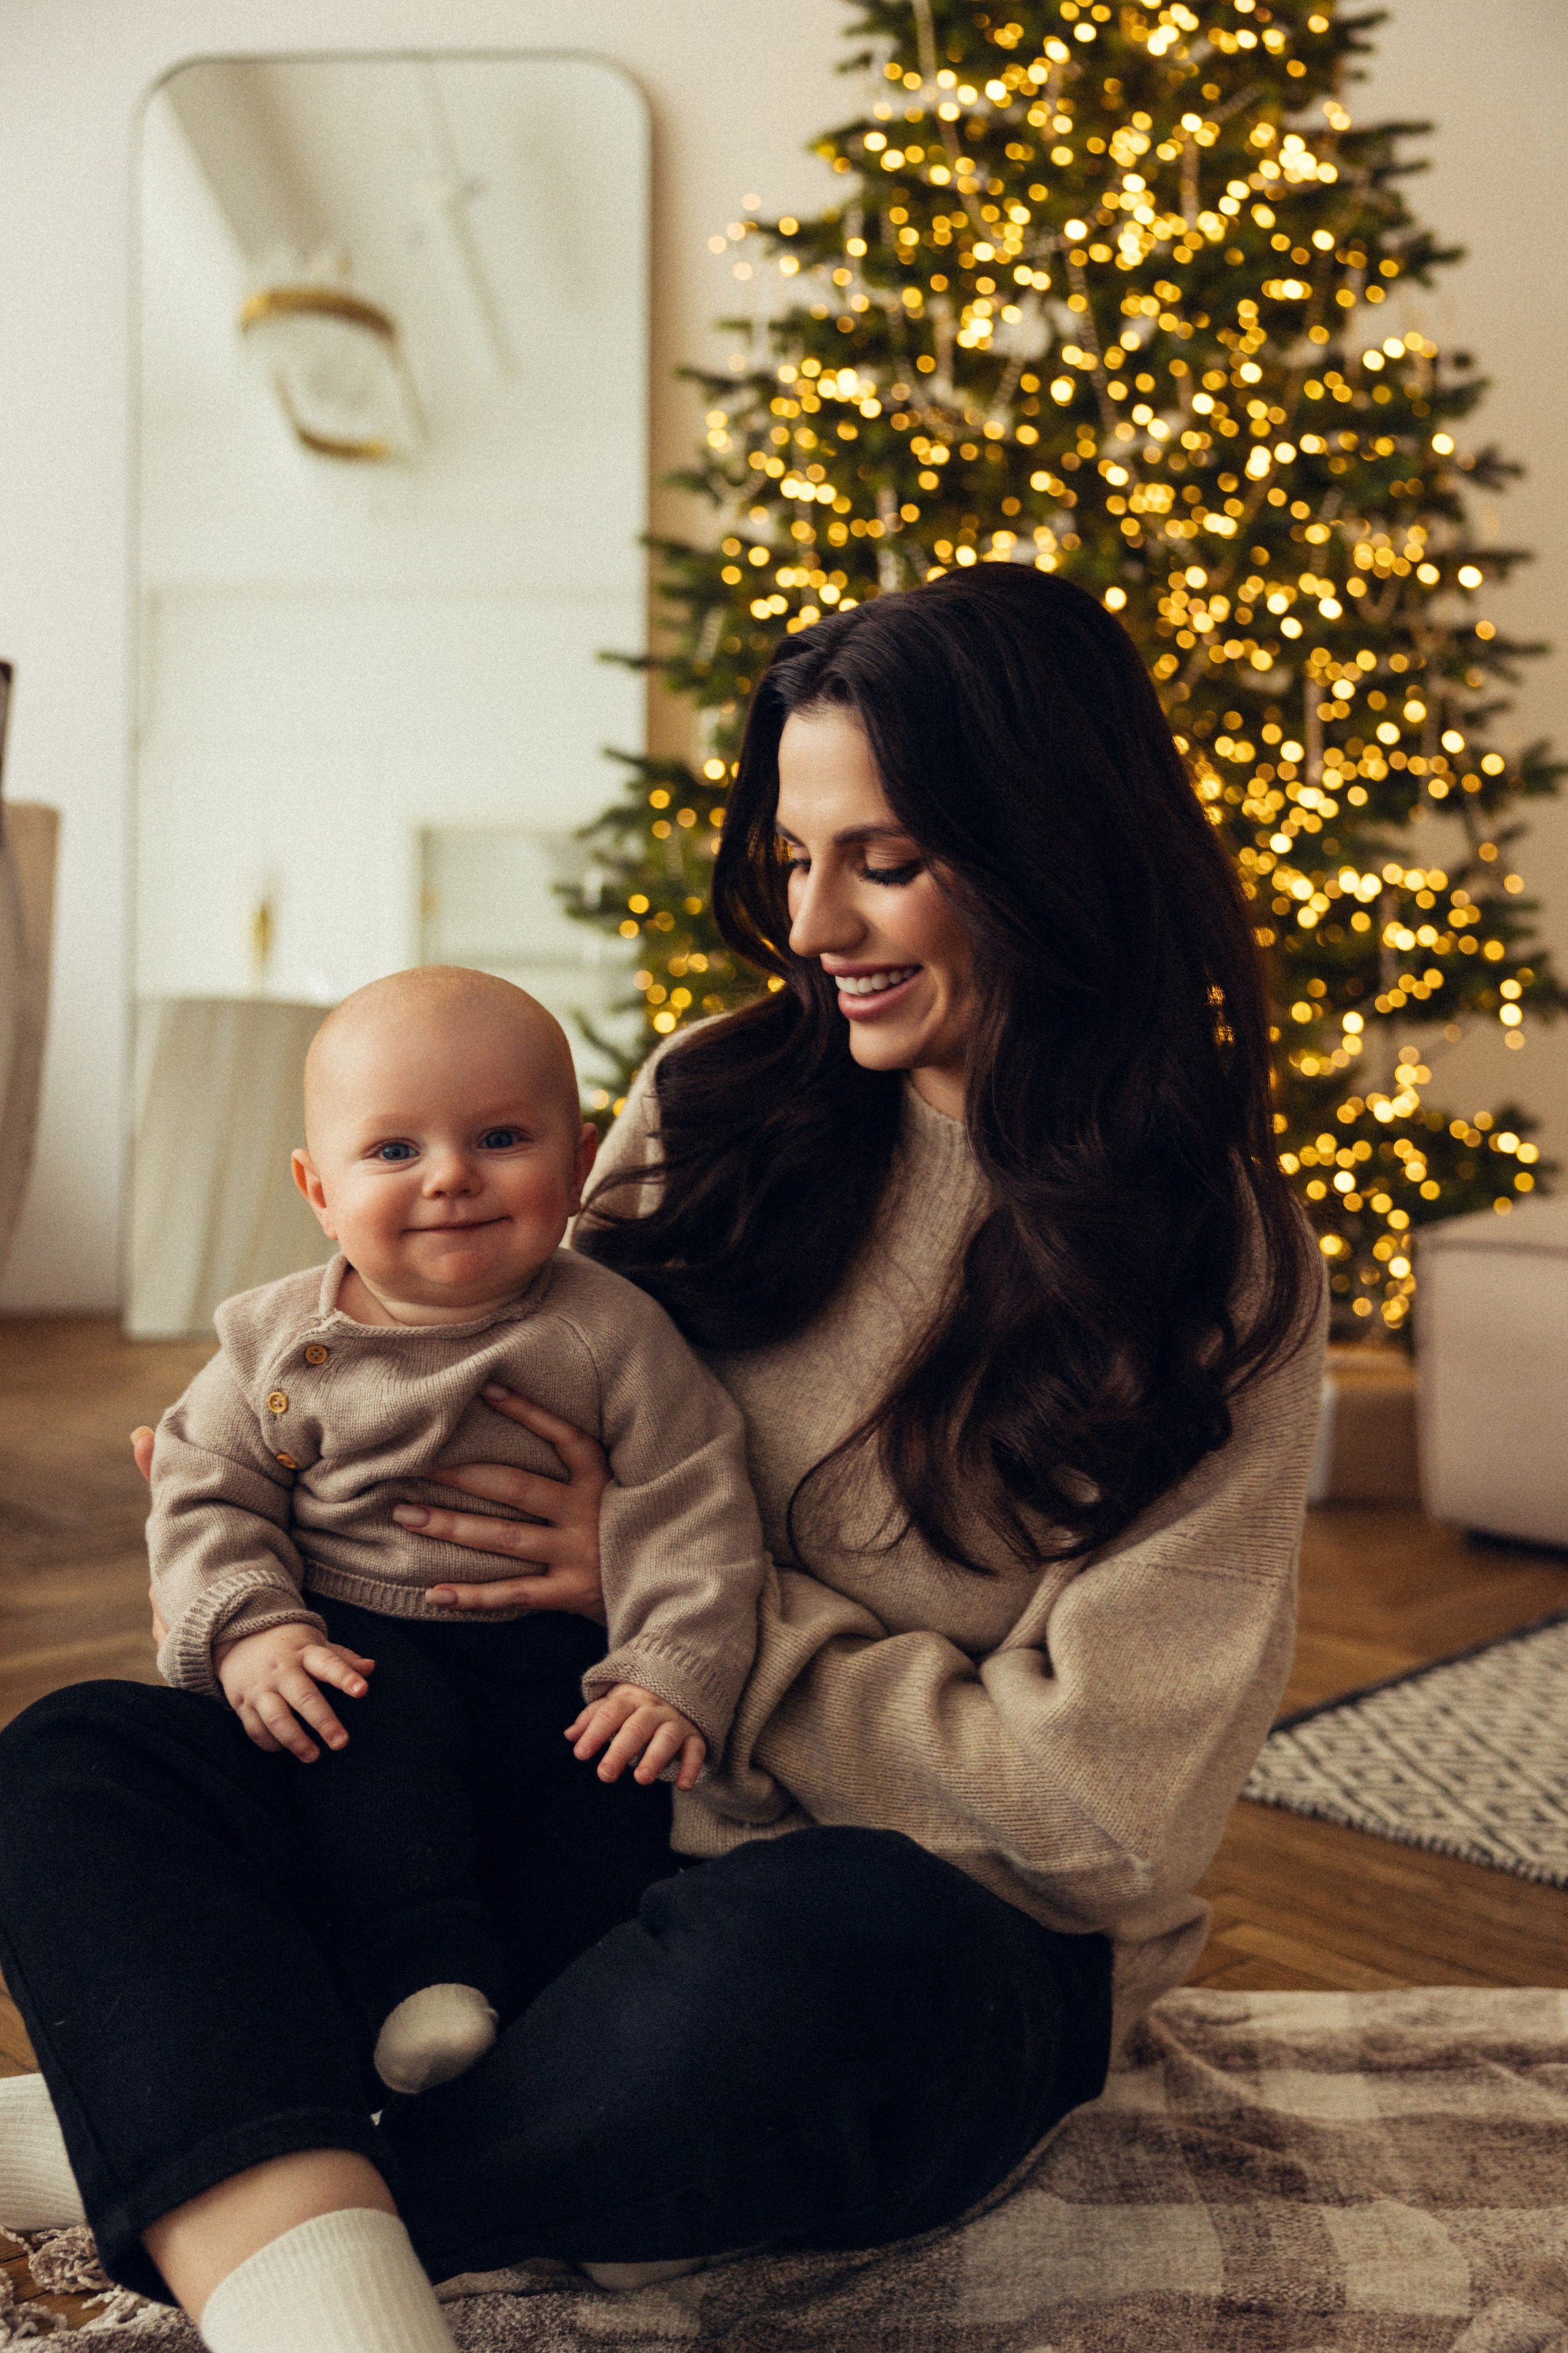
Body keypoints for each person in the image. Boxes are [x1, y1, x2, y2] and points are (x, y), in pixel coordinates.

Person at [0, 567, 1324, 2353]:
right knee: (80, 1763)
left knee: (814, 1964)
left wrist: (705, 1619)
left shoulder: (1212, 1258)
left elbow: (1111, 1814)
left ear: (1047, 849)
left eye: (887, 858)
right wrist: (289, 1483)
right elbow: (483, 1380)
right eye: (793, 855)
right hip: (553, 1810)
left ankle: (220, 2151)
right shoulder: (717, 1102)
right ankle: (298, 2223)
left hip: (904, 1905)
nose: (816, 921)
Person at [146, 964, 766, 2097]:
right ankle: (418, 1977)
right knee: (361, 1770)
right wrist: (249, 1629)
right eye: (394, 1152)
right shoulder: (276, 1343)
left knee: (606, 1807)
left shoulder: (608, 1332)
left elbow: (694, 1500)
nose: (450, 1179)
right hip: (353, 1635)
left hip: (565, 1651)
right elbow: (204, 1486)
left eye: (499, 1137)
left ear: (579, 1163)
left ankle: (582, 2052)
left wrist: (673, 1669)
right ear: (318, 1188)